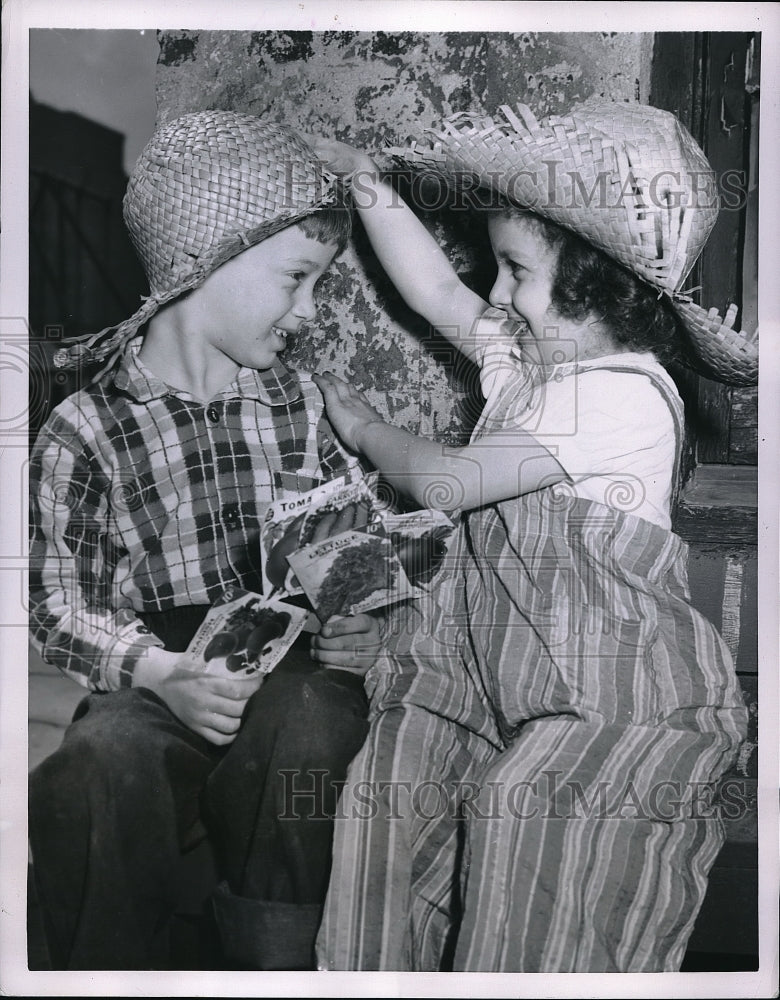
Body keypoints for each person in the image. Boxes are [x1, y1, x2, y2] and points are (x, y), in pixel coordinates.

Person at [307, 100, 756, 972]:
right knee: (390, 785)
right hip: (509, 683)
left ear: (594, 281)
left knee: (528, 809)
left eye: (515, 270)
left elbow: (444, 480)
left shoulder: (625, 393)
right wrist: (365, 181)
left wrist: (365, 432)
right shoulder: (530, 368)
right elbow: (435, 289)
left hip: (623, 703)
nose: (498, 294)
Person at [28, 110, 381, 972]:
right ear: (204, 261)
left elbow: (352, 542)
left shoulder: (299, 406)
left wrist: (354, 624)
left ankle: (280, 966)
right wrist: (160, 674)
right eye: (296, 278)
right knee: (100, 758)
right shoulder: (85, 427)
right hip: (154, 671)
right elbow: (56, 605)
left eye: (317, 286)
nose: (307, 312)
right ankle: (104, 972)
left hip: (285, 666)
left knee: (311, 719)